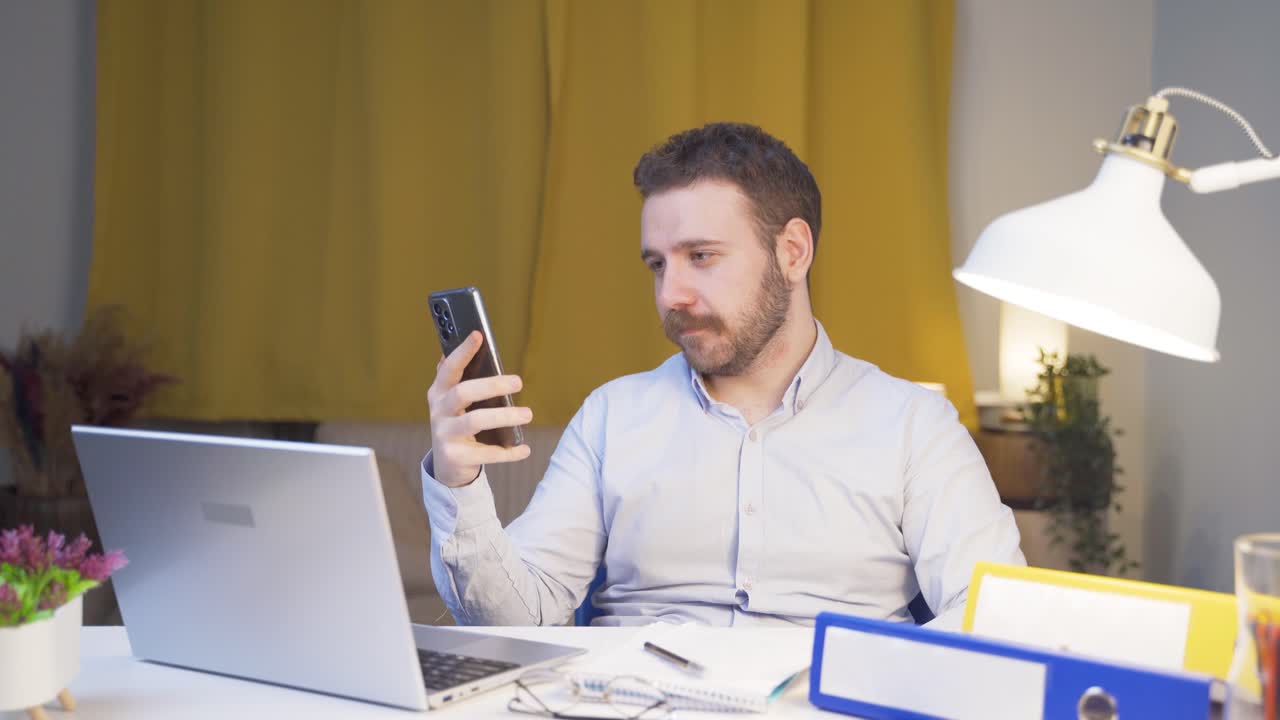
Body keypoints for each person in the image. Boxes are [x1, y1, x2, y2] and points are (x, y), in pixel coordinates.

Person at [422, 122, 1024, 629]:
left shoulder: (915, 426)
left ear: (793, 251)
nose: (671, 294)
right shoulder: (612, 416)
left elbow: (992, 615)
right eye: (657, 264)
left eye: (701, 256)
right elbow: (516, 619)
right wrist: (459, 481)